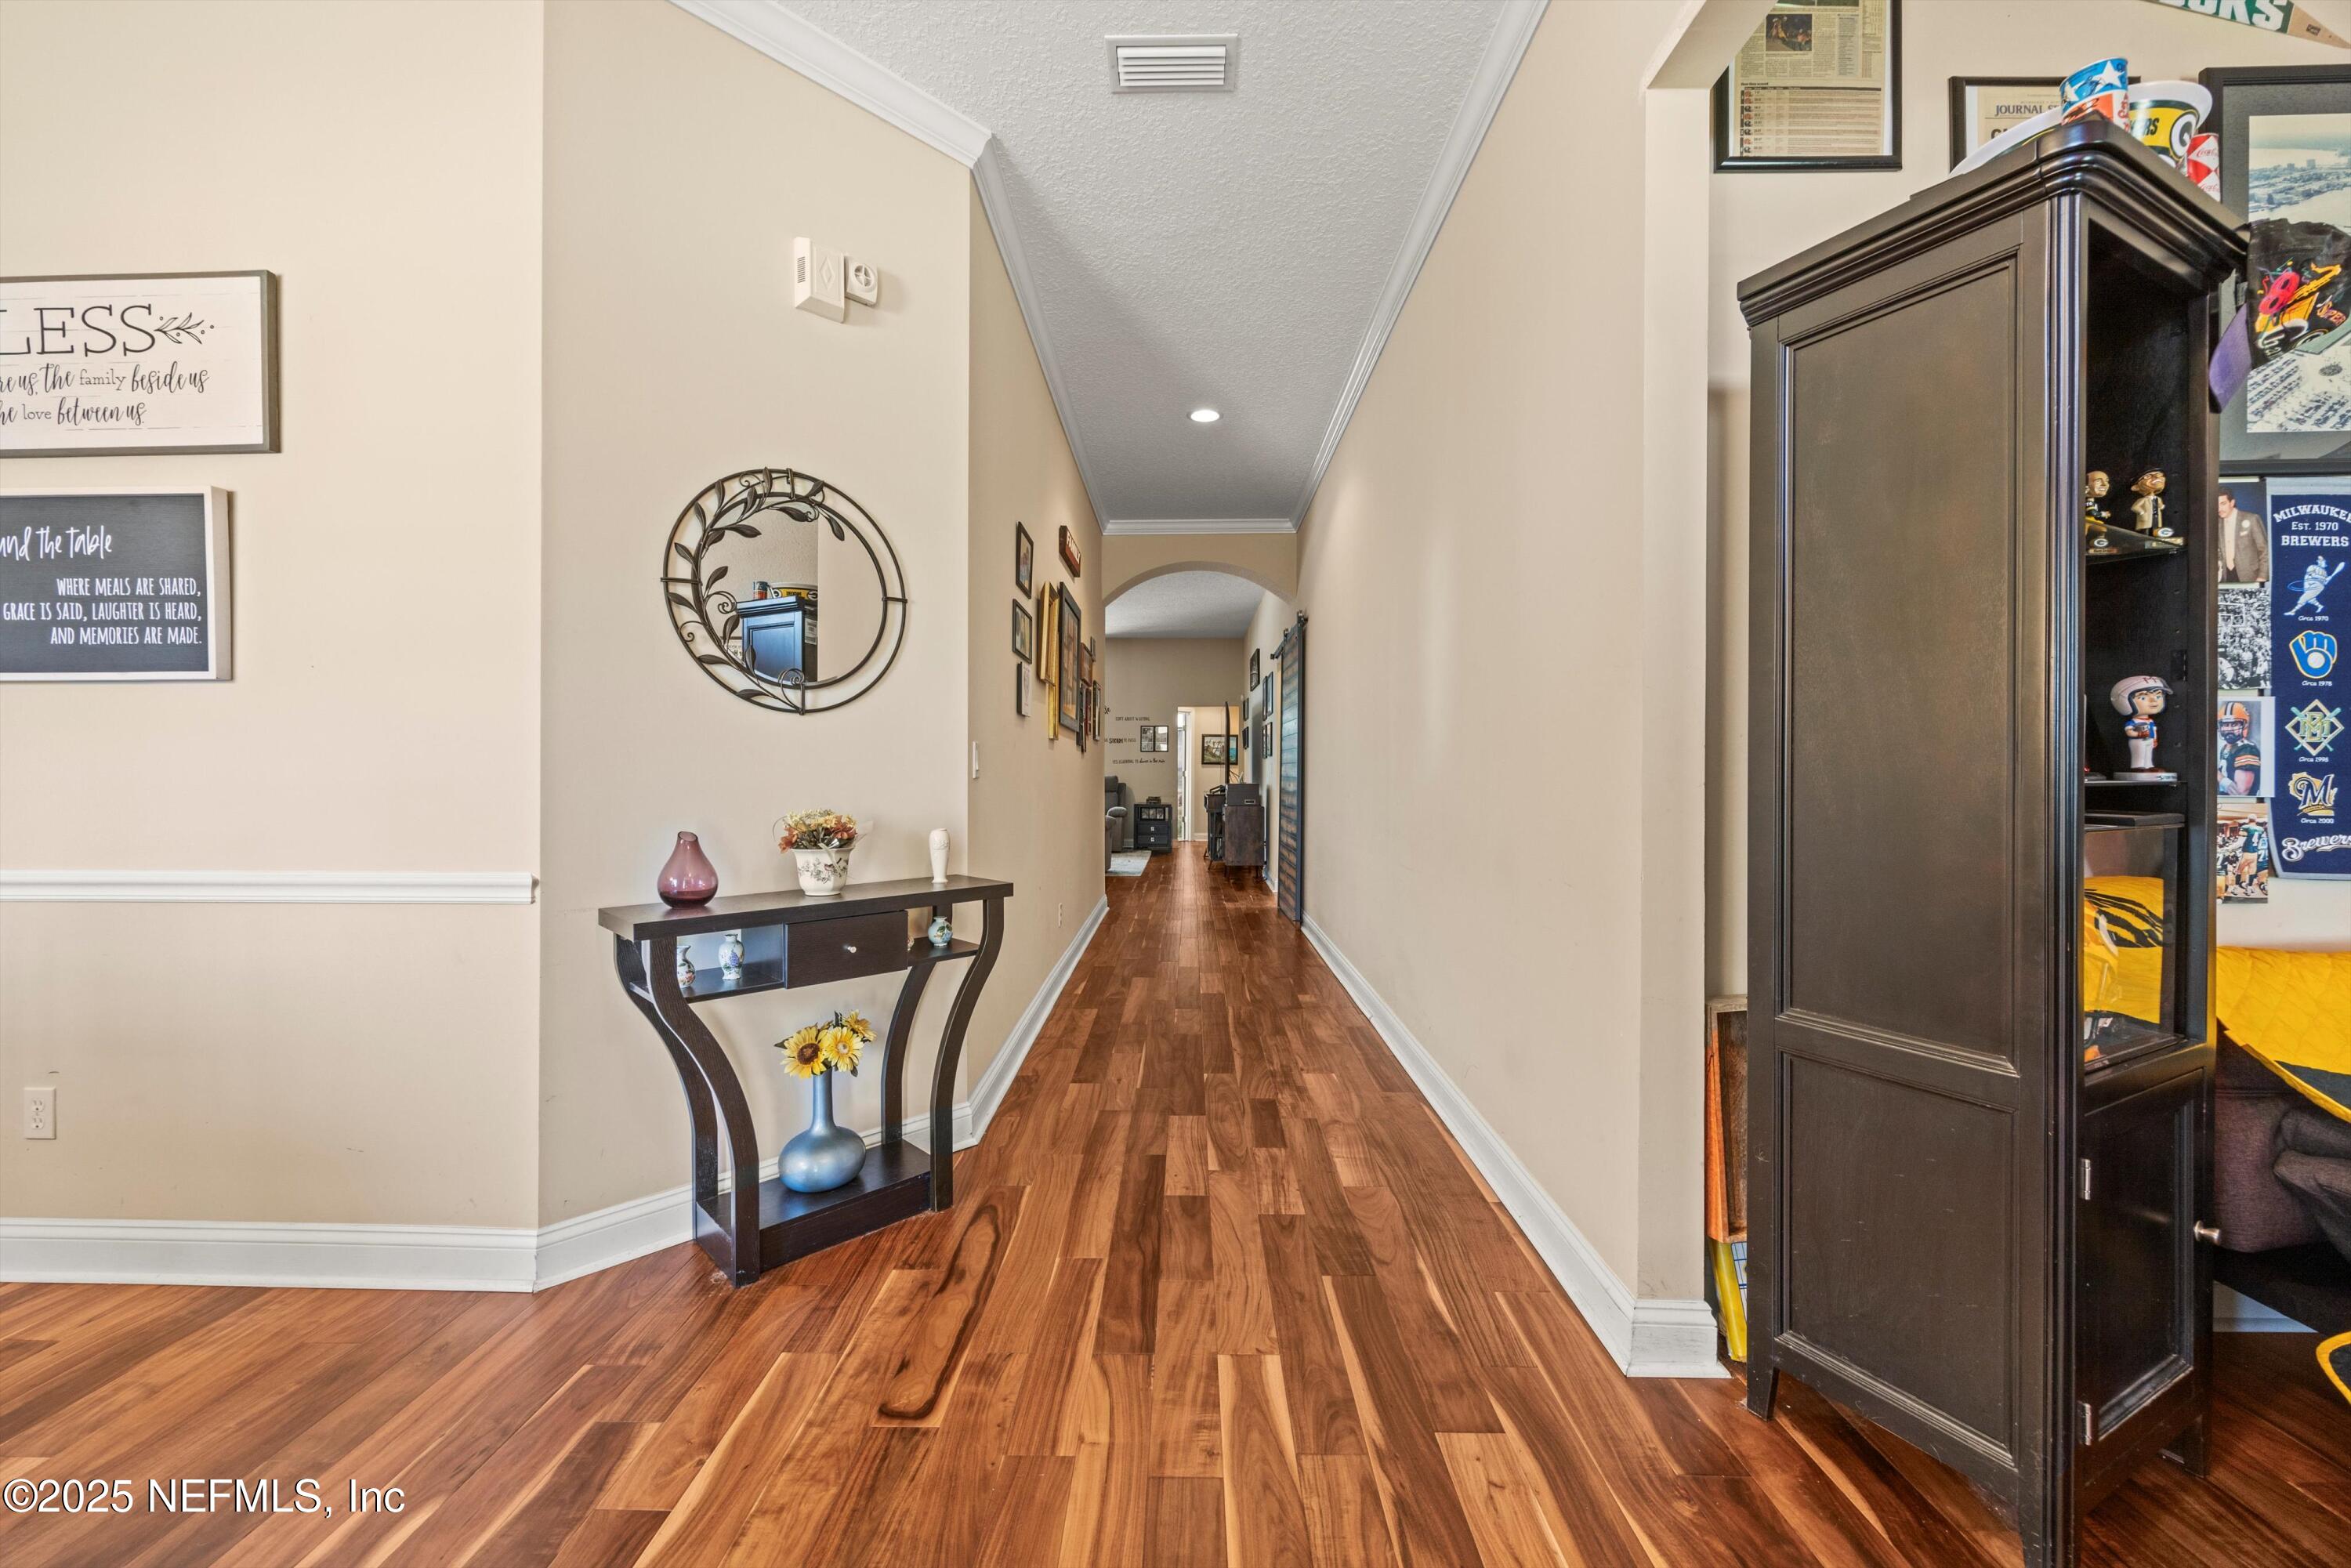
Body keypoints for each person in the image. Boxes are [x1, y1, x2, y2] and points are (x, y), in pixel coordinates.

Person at [2219, 487, 2267, 583]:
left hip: (2250, 577)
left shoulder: (2252, 519)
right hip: (2225, 578)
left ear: (2232, 503)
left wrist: (2262, 577)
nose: (2219, 509)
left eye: (2223, 504)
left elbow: (2264, 550)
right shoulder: (2216, 523)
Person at [2219, 701, 2263, 797]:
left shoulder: (2247, 750)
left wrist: (2217, 776)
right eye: (2226, 725)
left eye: (2234, 724)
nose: (2229, 729)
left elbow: (2240, 792)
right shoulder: (2225, 748)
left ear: (2244, 725)